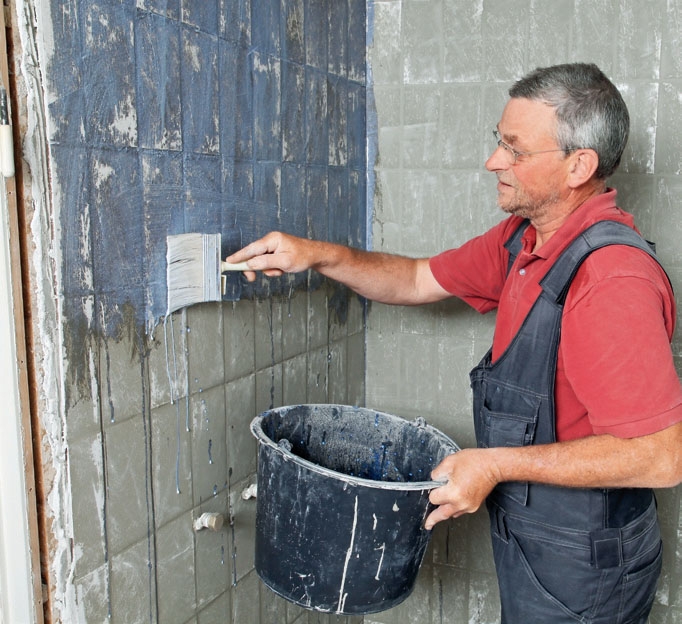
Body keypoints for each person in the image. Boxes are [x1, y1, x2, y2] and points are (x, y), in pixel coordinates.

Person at [226, 63, 682, 623]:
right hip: (537, 539)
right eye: (499, 141)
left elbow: (661, 456)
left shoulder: (610, 280)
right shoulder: (526, 241)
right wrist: (316, 255)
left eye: (514, 149)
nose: (494, 161)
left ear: (578, 166)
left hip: (587, 560)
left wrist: (492, 465)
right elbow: (418, 279)